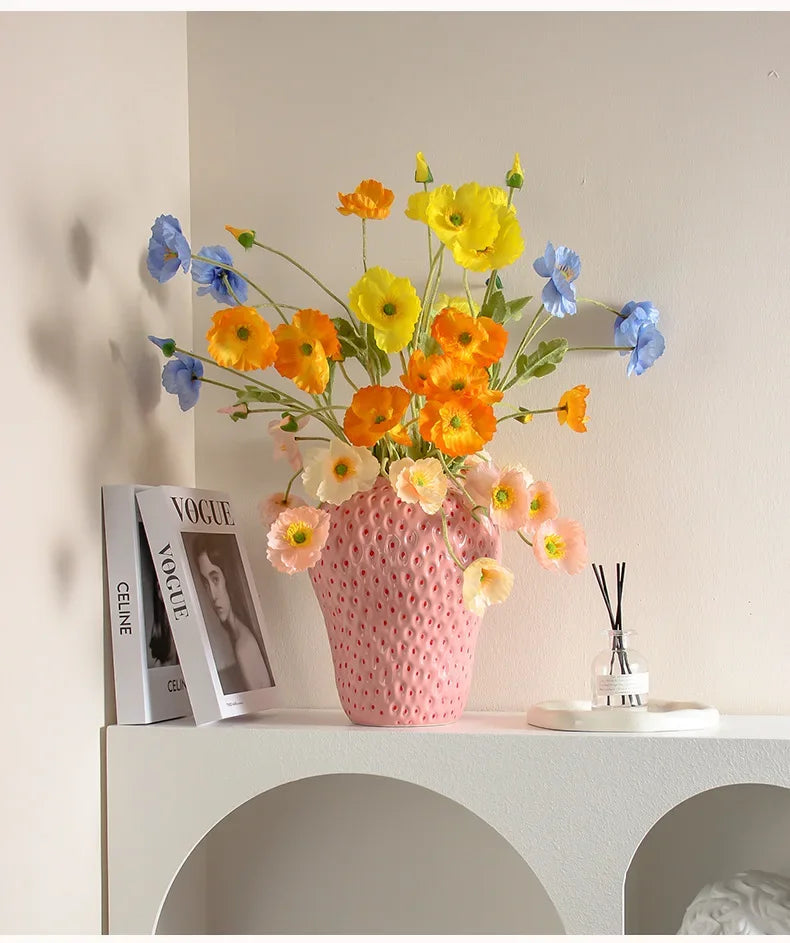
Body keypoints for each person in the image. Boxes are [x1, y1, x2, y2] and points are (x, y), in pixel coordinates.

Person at [192, 535, 273, 693]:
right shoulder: (239, 637)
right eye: (206, 583)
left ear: (228, 577)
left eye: (215, 579)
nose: (212, 594)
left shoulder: (244, 647)